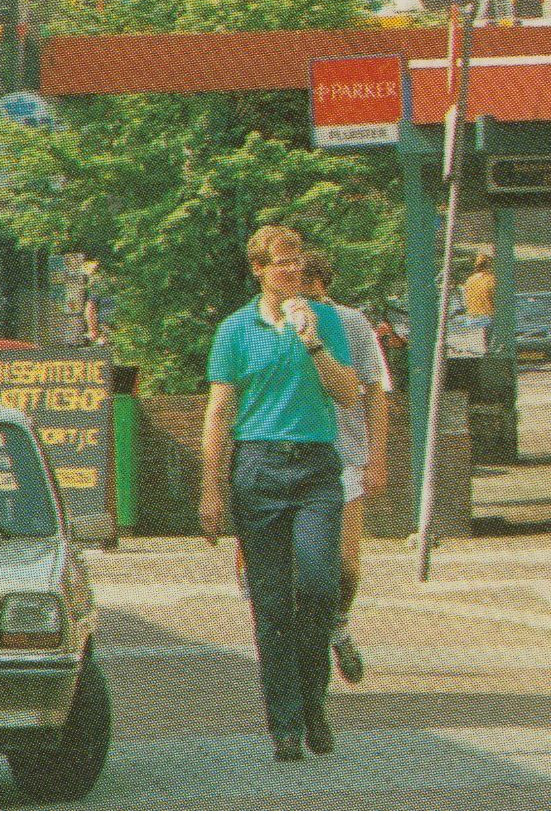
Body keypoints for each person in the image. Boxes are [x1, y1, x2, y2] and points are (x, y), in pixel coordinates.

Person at [200, 225, 360, 762]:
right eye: (281, 264)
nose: (292, 272)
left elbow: (349, 393)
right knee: (270, 603)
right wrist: (212, 489)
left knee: (318, 585)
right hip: (259, 466)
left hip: (315, 466)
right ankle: (285, 722)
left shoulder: (324, 321)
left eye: (298, 262)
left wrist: (312, 341)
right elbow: (219, 411)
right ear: (259, 270)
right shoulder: (236, 330)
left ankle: (313, 699)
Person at [298, 250, 390, 686]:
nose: (306, 289)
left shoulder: (350, 324)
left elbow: (375, 389)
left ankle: (339, 623)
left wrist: (377, 456)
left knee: (346, 566)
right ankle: (300, 653)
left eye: (314, 281)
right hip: (293, 455)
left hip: (346, 456)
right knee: (301, 567)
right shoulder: (275, 323)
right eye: (299, 280)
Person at [84, 259, 116, 345]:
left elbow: (90, 308)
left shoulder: (98, 283)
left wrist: (93, 331)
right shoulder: (100, 282)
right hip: (115, 325)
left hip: (109, 325)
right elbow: (91, 308)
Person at [461, 253, 495, 323]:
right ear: (489, 265)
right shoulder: (492, 279)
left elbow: (465, 300)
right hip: (487, 318)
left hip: (471, 318)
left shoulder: (469, 280)